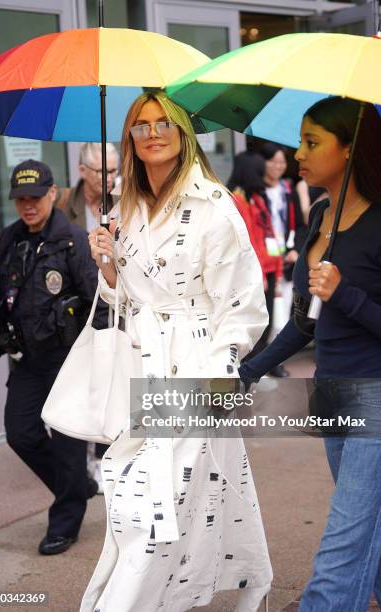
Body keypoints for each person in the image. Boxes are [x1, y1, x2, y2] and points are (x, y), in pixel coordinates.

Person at [81, 91, 272, 612]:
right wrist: (107, 266)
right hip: (139, 368)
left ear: (185, 132)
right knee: (160, 498)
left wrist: (215, 382)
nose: (153, 133)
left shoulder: (213, 206)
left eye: (165, 122)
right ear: (130, 140)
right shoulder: (125, 207)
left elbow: (243, 305)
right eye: (141, 126)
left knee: (158, 501)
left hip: (197, 369)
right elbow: (124, 301)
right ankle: (198, 592)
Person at [239, 96, 381, 611]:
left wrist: (346, 293)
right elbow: (304, 322)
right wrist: (248, 371)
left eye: (312, 142)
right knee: (368, 526)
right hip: (333, 393)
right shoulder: (320, 211)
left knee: (346, 536)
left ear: (349, 149)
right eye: (300, 140)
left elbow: (342, 304)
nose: (297, 153)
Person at [0, 160, 106, 556]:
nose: (28, 205)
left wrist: (101, 354)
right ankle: (77, 487)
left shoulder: (73, 241)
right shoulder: (8, 244)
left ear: (53, 193)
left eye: (35, 197)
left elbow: (98, 303)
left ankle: (65, 522)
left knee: (67, 445)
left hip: (69, 360)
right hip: (28, 360)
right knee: (20, 433)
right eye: (21, 199)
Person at [56, 141, 119, 493]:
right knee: (86, 386)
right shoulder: (64, 206)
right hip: (78, 312)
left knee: (115, 386)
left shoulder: (128, 203)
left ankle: (112, 457)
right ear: (83, 171)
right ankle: (86, 458)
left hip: (118, 307)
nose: (110, 178)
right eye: (102, 172)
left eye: (114, 170)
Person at [228, 151, 283, 360]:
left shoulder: (257, 198)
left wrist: (276, 271)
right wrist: (258, 274)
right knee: (255, 325)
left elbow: (269, 235)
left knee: (267, 323)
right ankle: (251, 371)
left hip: (268, 270)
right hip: (255, 274)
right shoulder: (237, 201)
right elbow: (247, 242)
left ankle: (259, 367)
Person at [259, 143, 306, 377]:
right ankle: (259, 360)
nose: (277, 166)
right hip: (264, 263)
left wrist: (296, 249)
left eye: (281, 162)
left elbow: (299, 224)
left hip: (286, 260)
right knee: (265, 313)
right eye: (272, 161)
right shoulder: (254, 191)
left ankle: (272, 361)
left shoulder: (289, 189)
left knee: (281, 314)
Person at [56, 141, 119, 231]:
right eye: (101, 172)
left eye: (112, 171)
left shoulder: (123, 204)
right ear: (83, 170)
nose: (108, 179)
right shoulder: (62, 203)